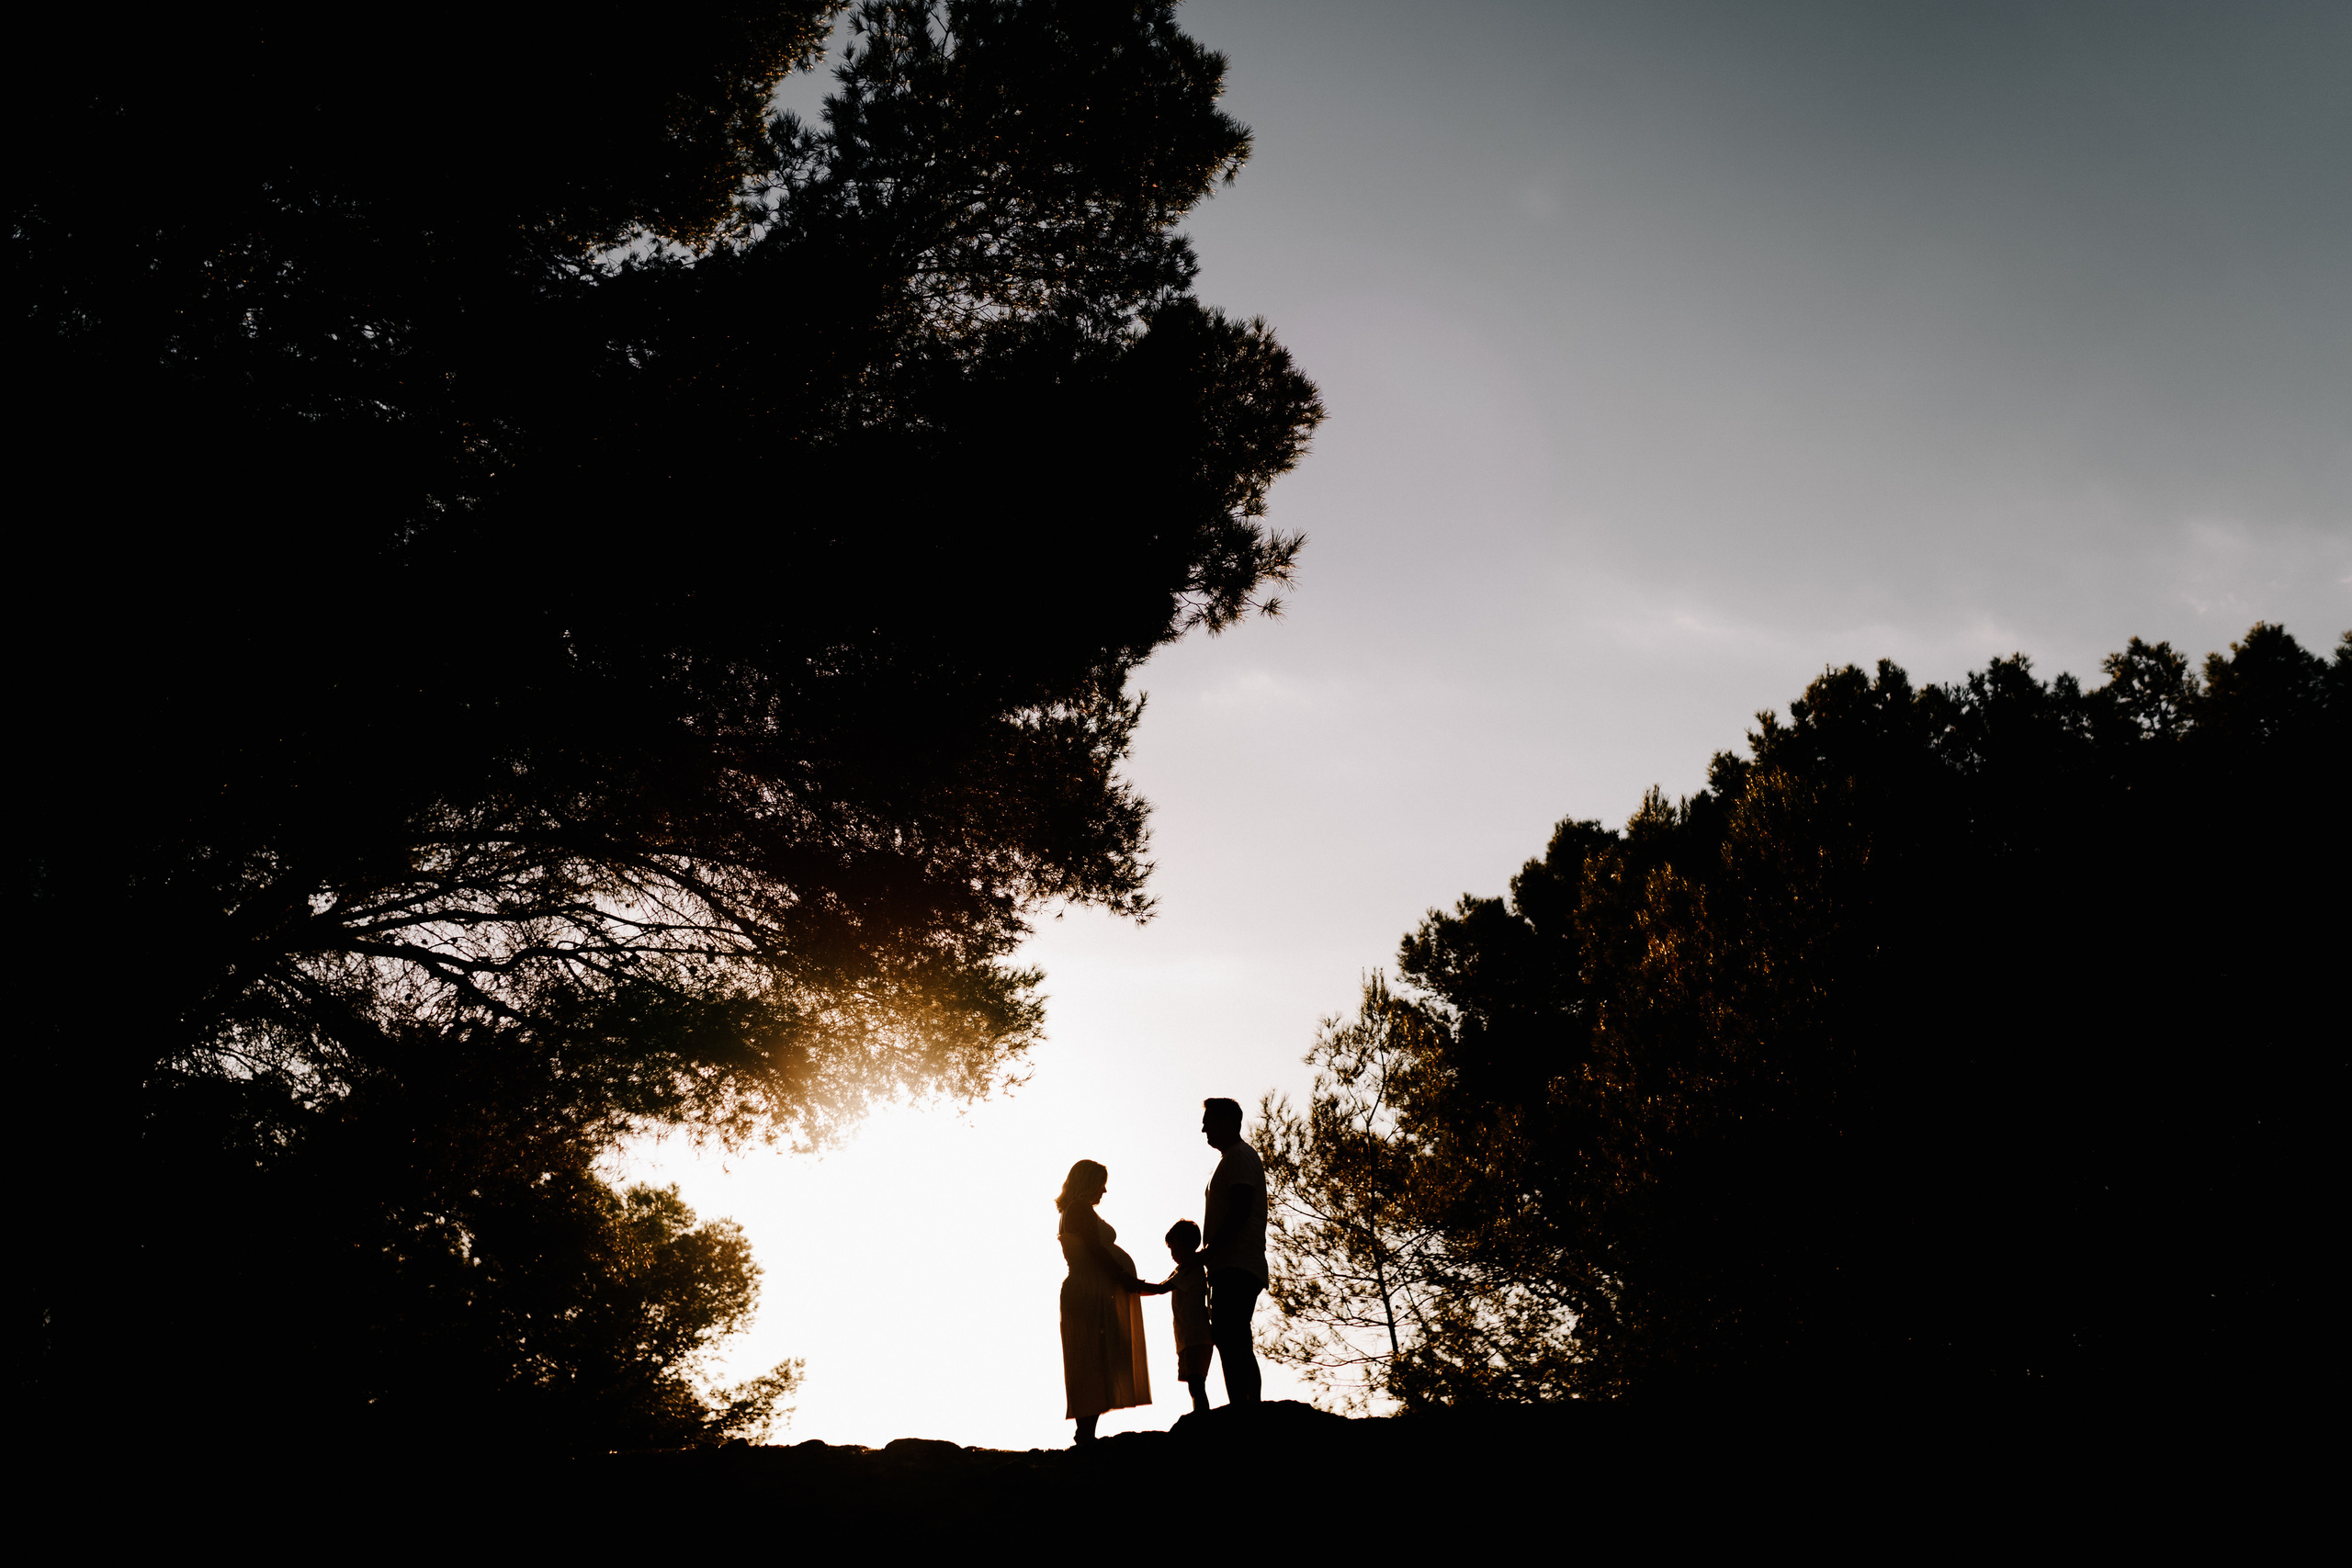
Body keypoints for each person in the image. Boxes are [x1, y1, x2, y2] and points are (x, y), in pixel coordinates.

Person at [1056, 1158, 1162, 1444]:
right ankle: (1085, 1435)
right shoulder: (1078, 1209)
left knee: (1099, 1357)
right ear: (1088, 1182)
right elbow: (1095, 1252)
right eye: (1101, 1183)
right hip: (1088, 1291)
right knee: (1091, 1357)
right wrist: (1129, 1282)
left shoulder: (1077, 1210)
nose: (1104, 1190)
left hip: (1094, 1289)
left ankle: (1086, 1433)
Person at [1196, 1098, 1267, 1406]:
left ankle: (1247, 1408)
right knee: (1230, 1336)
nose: (1203, 1129)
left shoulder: (1240, 1157)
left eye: (1209, 1121)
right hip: (1229, 1264)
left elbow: (1240, 1208)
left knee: (1233, 1336)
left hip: (1237, 1265)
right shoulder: (1233, 1159)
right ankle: (1243, 1405)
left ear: (1227, 1122)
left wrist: (1211, 1249)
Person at [1159, 1219, 1213, 1416]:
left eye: (1175, 1248)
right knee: (1194, 1381)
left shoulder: (1190, 1269)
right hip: (1188, 1336)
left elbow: (1162, 1288)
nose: (1173, 1255)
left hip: (1195, 1336)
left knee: (1196, 1382)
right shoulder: (1185, 1269)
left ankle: (1202, 1416)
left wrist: (1133, 1287)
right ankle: (1200, 1413)